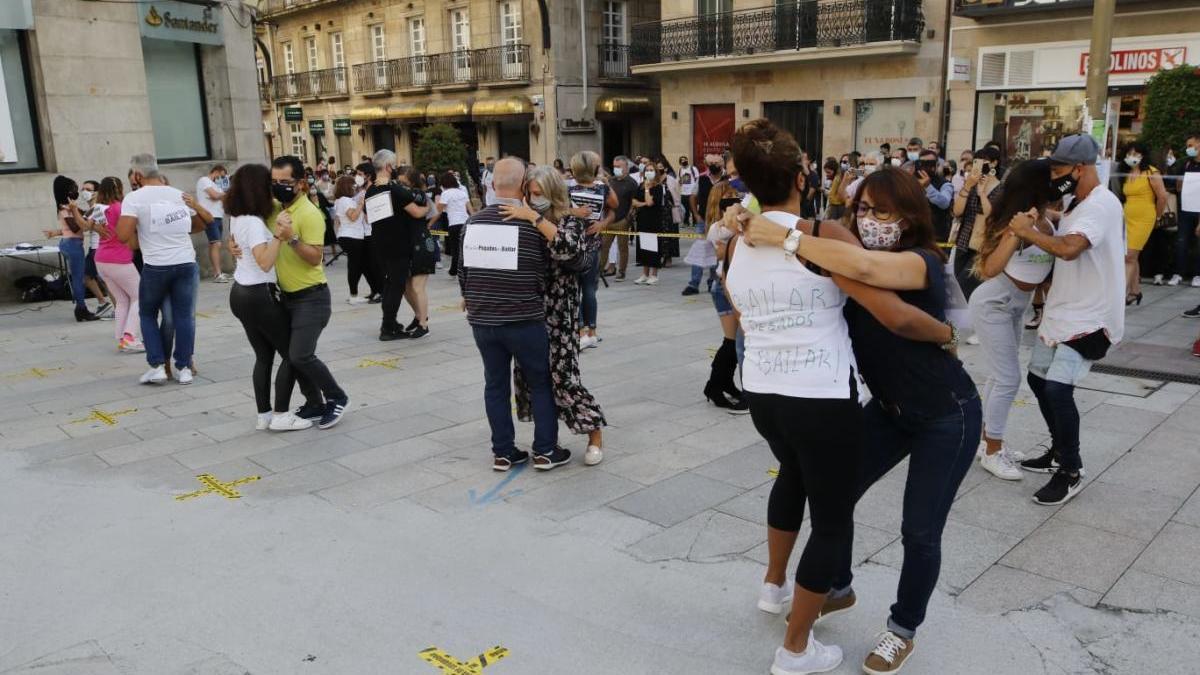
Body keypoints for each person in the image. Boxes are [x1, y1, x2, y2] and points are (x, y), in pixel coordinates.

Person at [727, 120, 959, 675]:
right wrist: (951, 334)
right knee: (830, 518)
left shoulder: (742, 237)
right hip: (822, 394)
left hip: (764, 389)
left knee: (797, 481)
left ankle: (776, 586)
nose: (870, 222)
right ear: (804, 174)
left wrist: (743, 221)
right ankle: (797, 650)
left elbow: (735, 311)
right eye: (866, 211)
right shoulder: (823, 237)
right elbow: (887, 305)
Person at [1008, 135, 1124, 506]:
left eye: (1059, 169)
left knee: (1058, 389)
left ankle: (1071, 470)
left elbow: (1072, 249)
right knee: (1038, 379)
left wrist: (1026, 232)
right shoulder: (1077, 202)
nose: (1054, 176)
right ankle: (1059, 450)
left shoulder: (1101, 205)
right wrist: (1045, 219)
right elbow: (1066, 230)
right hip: (1063, 311)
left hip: (1091, 317)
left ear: (1080, 169)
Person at [460, 157, 570, 471]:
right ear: (524, 186)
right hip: (525, 317)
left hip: (483, 320)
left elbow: (463, 272)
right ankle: (546, 450)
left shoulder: (474, 222)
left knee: (494, 384)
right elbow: (550, 269)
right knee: (540, 382)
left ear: (493, 185)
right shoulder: (531, 223)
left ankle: (503, 452)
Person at [504, 166, 607, 466]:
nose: (534, 199)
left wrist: (535, 219)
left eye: (539, 194)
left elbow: (568, 252)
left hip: (560, 313)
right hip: (528, 310)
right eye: (530, 193)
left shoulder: (570, 220)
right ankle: (548, 441)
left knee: (563, 378)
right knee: (531, 378)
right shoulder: (521, 219)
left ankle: (594, 432)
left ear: (553, 193)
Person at [967, 160, 1057, 480]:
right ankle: (993, 451)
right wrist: (1018, 233)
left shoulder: (1047, 218)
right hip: (995, 301)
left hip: (1018, 304)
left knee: (998, 376)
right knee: (1008, 379)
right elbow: (989, 269)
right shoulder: (1016, 223)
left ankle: (985, 443)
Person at [225, 163, 315, 432]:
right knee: (291, 355)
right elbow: (264, 262)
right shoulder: (252, 222)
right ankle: (281, 415)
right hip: (258, 294)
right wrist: (278, 235)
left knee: (263, 356)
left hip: (241, 292)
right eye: (268, 184)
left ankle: (264, 414)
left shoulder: (238, 216)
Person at [265, 155, 351, 429]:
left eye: (285, 182)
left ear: (301, 183)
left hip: (312, 297)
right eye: (274, 182)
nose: (279, 187)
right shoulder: (274, 209)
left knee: (301, 355)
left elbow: (315, 257)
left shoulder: (310, 214)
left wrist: (291, 238)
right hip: (286, 297)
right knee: (293, 356)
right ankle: (314, 403)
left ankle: (337, 397)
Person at [117, 153, 210, 385]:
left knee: (147, 313)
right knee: (184, 317)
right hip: (186, 262)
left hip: (157, 266)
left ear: (137, 175)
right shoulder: (177, 194)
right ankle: (184, 367)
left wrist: (140, 225)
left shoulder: (134, 198)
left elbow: (122, 235)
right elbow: (198, 225)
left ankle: (157, 365)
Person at [364, 150, 429, 340]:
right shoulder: (394, 189)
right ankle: (388, 327)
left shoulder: (371, 189)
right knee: (396, 287)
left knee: (390, 284)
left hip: (380, 243)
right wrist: (427, 208)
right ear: (388, 167)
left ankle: (391, 323)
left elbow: (368, 218)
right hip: (399, 244)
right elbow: (417, 212)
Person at [567, 151, 616, 349]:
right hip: (593, 244)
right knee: (589, 289)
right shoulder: (603, 188)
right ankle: (592, 332)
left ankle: (579, 332)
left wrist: (572, 211)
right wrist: (603, 223)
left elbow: (556, 210)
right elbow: (615, 207)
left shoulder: (566, 190)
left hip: (574, 245)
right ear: (594, 169)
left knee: (575, 289)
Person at [93, 177, 143, 352]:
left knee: (122, 300)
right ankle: (130, 337)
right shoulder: (119, 208)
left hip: (101, 259)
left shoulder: (99, 208)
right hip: (118, 258)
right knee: (140, 296)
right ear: (119, 189)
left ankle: (122, 337)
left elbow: (86, 224)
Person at [1118, 142, 1167, 305]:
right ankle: (1135, 291)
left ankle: (1119, 294)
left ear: (1143, 155)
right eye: (1129, 153)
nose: (1132, 157)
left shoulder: (1151, 172)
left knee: (1129, 255)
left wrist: (1157, 217)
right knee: (1133, 256)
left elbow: (1162, 197)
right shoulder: (1125, 172)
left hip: (1145, 217)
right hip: (1127, 216)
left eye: (1136, 153)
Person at [952, 146, 1002, 299]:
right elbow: (957, 211)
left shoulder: (1001, 189)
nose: (979, 166)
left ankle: (961, 322)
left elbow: (992, 216)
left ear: (994, 163)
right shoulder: (971, 186)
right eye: (976, 162)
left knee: (964, 287)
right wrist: (968, 186)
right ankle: (961, 321)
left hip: (983, 246)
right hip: (964, 242)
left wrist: (982, 193)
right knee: (957, 284)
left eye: (983, 162)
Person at [399, 166, 437, 338]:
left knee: (417, 286)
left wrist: (424, 211)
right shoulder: (404, 194)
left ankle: (424, 325)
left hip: (421, 243)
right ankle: (419, 316)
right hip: (407, 243)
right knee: (407, 286)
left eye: (403, 180)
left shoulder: (418, 194)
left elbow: (418, 211)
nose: (400, 183)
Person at [683, 154, 724, 296]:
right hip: (704, 221)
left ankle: (713, 281)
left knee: (717, 252)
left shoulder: (728, 179)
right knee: (700, 251)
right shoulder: (702, 179)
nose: (714, 165)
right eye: (711, 162)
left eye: (717, 162)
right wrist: (696, 214)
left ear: (722, 164)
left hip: (722, 222)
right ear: (706, 164)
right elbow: (692, 196)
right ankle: (693, 284)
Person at [332, 175, 376, 304]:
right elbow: (353, 217)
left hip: (351, 236)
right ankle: (353, 295)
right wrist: (361, 204)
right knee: (354, 267)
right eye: (352, 185)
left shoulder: (344, 200)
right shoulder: (345, 200)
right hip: (351, 237)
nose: (355, 187)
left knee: (356, 266)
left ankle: (356, 293)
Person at [1167, 133, 1200, 287]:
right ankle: (1178, 273)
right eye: (1188, 146)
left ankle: (1197, 275)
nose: (1189, 149)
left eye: (1191, 145)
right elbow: (1173, 181)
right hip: (1185, 208)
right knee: (1181, 242)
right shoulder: (1185, 164)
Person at [599, 155, 638, 281]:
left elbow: (634, 202)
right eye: (614, 167)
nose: (616, 169)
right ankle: (598, 271)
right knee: (604, 246)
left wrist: (628, 219)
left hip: (622, 220)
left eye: (619, 167)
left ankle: (621, 272)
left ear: (626, 167)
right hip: (609, 219)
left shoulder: (632, 183)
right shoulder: (611, 181)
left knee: (623, 248)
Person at [632, 161, 669, 285]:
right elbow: (634, 201)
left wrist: (647, 190)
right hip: (642, 219)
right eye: (647, 170)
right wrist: (643, 203)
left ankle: (654, 274)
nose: (648, 172)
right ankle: (645, 273)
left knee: (653, 247)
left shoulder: (658, 187)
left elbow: (651, 203)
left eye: (651, 170)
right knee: (643, 246)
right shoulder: (641, 185)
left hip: (654, 220)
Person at [354, 162, 383, 303]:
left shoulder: (374, 190)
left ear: (368, 176)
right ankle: (375, 289)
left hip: (373, 233)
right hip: (362, 233)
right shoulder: (361, 191)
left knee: (375, 265)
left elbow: (371, 215)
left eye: (360, 174)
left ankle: (381, 291)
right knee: (366, 265)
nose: (357, 177)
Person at [197, 164, 231, 283]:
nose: (221, 179)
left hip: (218, 216)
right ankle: (217, 274)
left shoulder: (217, 185)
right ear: (217, 171)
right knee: (216, 244)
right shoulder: (204, 180)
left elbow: (221, 197)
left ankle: (219, 272)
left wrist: (219, 195)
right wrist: (218, 196)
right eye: (221, 176)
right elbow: (215, 195)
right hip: (209, 216)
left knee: (215, 244)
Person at [437, 170, 474, 277]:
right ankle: (466, 270)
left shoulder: (445, 193)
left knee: (455, 248)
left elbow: (438, 211)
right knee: (465, 248)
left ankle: (454, 270)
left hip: (454, 223)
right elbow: (471, 210)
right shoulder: (462, 193)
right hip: (466, 223)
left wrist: (430, 222)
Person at [915, 148, 954, 242]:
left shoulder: (945, 184)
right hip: (914, 233)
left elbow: (944, 203)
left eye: (930, 163)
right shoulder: (911, 181)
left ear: (936, 165)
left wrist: (928, 186)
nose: (926, 166)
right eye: (923, 163)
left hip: (936, 235)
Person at [678, 154, 699, 229]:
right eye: (682, 160)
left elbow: (697, 179)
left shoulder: (693, 168)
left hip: (692, 192)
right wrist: (680, 182)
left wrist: (695, 190)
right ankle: (686, 222)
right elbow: (679, 180)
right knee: (685, 209)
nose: (684, 161)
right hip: (683, 192)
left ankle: (695, 223)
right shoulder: (680, 170)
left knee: (693, 208)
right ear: (680, 162)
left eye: (685, 160)